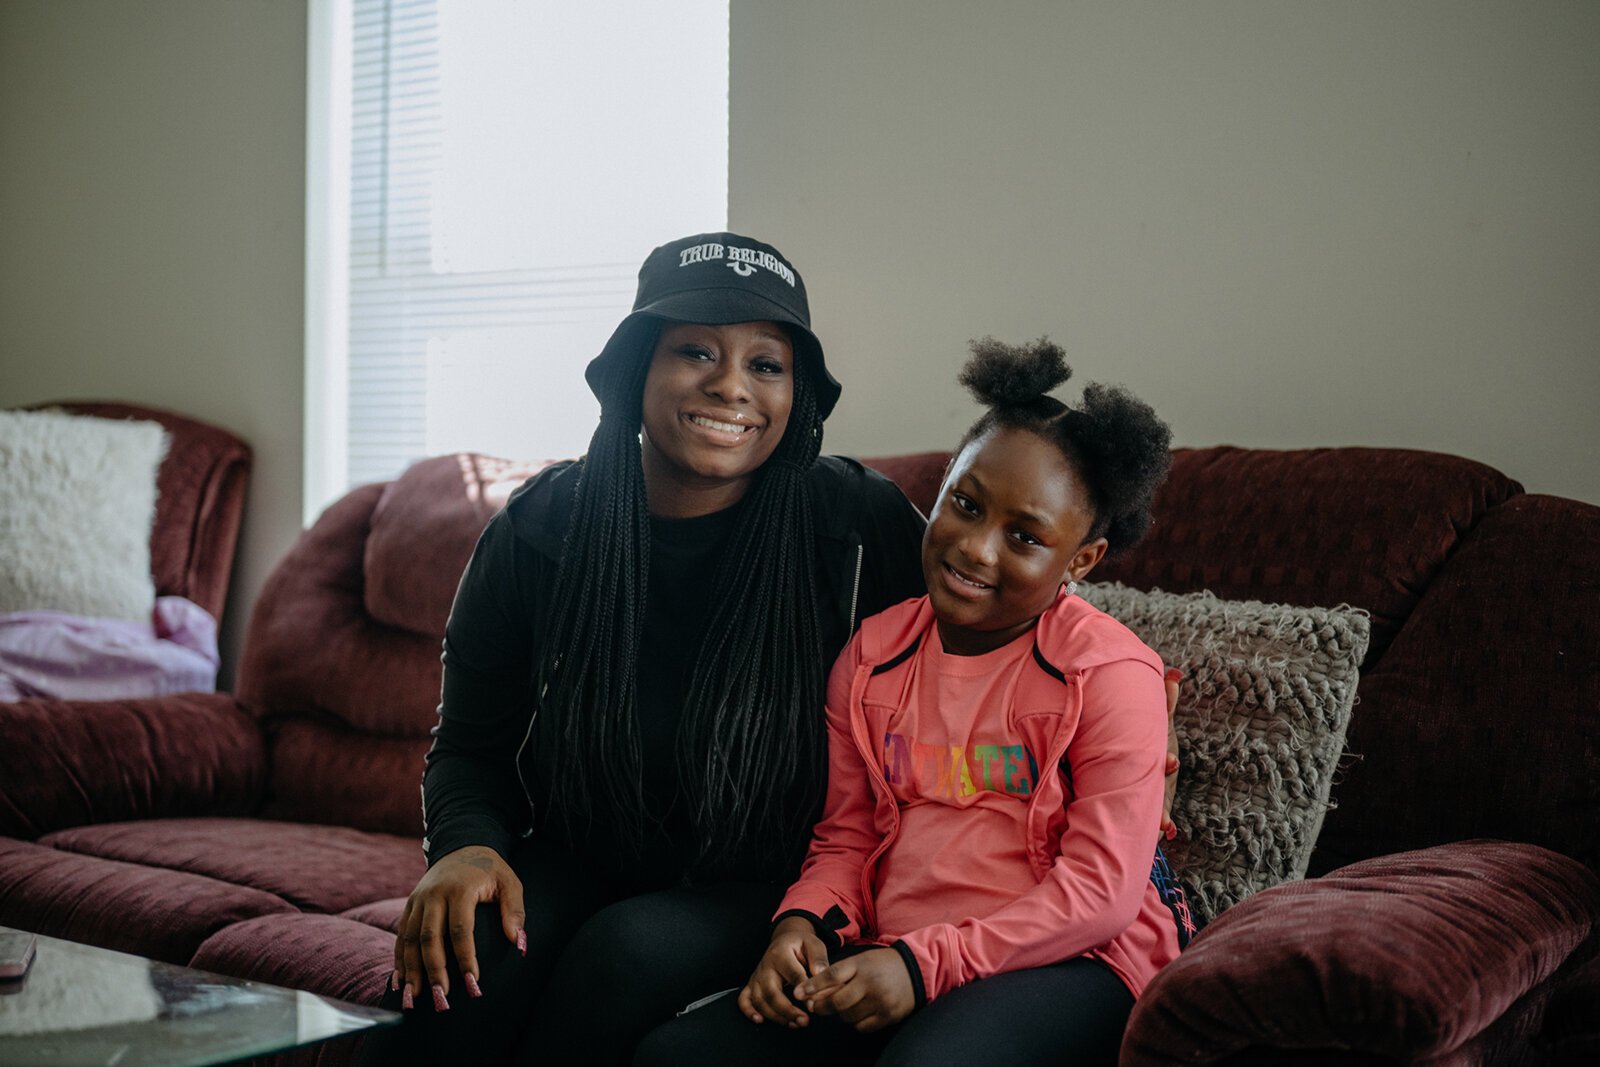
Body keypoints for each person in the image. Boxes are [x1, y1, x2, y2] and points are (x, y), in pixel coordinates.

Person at [359, 234, 1179, 1066]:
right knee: (460, 965)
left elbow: (1004, 607)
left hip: (764, 873)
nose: (729, 385)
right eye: (696, 351)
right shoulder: (540, 530)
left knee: (626, 952)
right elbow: (470, 742)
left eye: (767, 364)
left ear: (798, 395)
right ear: (638, 364)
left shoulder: (855, 524)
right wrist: (465, 846)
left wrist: (1137, 723)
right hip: (586, 844)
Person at [634, 337, 1193, 1066]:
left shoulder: (1111, 671)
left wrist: (924, 965)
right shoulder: (873, 654)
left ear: (1080, 559)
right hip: (898, 950)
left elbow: (1101, 894)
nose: (975, 548)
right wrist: (801, 925)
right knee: (678, 1055)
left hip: (1082, 960)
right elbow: (848, 837)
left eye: (1024, 537)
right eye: (964, 504)